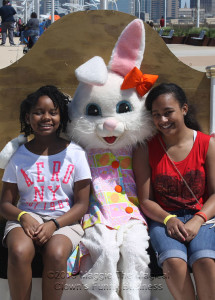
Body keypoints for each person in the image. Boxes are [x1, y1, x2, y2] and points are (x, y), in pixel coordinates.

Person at [0, 85, 91, 300]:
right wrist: (24, 217)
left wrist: (54, 225)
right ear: (28, 117)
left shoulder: (76, 153)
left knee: (56, 253)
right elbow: (5, 204)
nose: (46, 117)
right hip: (25, 219)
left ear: (62, 116)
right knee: (19, 251)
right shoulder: (18, 156)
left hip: (64, 221)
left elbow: (81, 204)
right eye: (38, 112)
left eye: (53, 112)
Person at [133, 83, 215, 300]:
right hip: (163, 219)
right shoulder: (145, 148)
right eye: (156, 115)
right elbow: (146, 200)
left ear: (184, 109)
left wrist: (198, 219)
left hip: (203, 218)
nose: (162, 121)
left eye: (168, 112)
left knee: (205, 261)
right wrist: (168, 219)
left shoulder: (207, 144)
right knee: (173, 263)